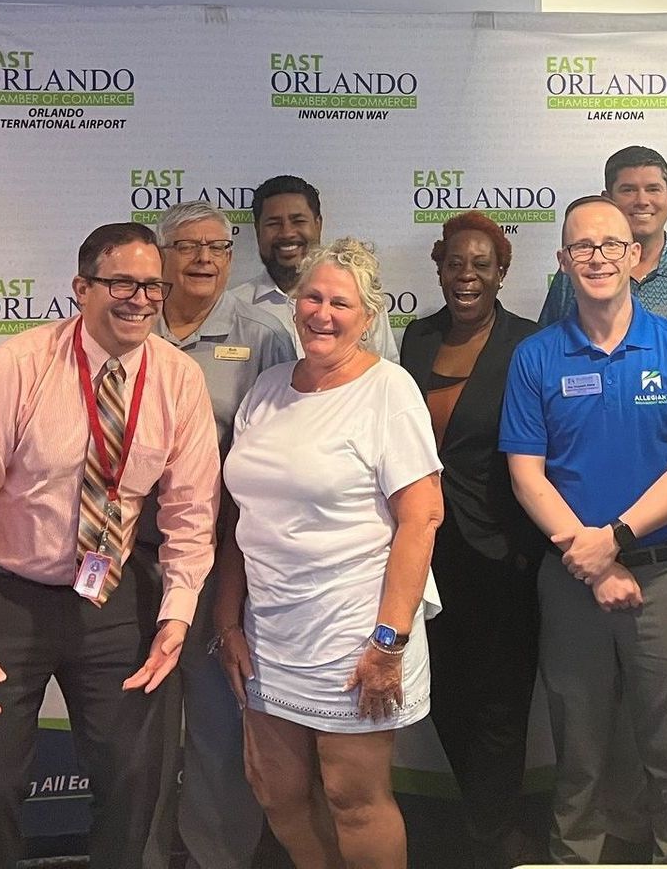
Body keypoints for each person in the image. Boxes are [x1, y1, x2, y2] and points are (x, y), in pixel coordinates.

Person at [0, 222, 220, 869]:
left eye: (151, 285)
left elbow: (192, 512)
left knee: (134, 778)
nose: (139, 299)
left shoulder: (178, 380)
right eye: (121, 283)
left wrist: (177, 614)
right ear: (81, 288)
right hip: (6, 597)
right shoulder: (16, 368)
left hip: (112, 596)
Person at [501, 195, 667, 863]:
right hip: (572, 584)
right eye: (582, 247)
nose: (597, 258)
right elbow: (527, 477)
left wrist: (614, 541)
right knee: (579, 761)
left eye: (610, 245)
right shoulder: (537, 358)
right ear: (564, 262)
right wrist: (593, 560)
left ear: (634, 256)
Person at [218, 238, 444, 869]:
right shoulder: (265, 387)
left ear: (367, 316)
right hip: (270, 632)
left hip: (356, 632)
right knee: (277, 790)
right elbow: (242, 515)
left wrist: (389, 641)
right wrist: (226, 619)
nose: (322, 312)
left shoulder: (388, 390)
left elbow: (422, 517)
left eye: (340, 302)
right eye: (312, 297)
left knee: (353, 798)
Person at [135, 201, 294, 869]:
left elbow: (286, 450)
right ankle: (135, 854)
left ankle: (217, 858)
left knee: (218, 727)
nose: (204, 258)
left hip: (221, 563)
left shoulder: (262, 337)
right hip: (130, 560)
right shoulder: (126, 326)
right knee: (136, 725)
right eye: (187, 246)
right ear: (159, 257)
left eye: (218, 246)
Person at [399, 211, 545, 869]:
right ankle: (488, 824)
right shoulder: (416, 338)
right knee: (444, 700)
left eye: (481, 264)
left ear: (501, 273)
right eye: (455, 262)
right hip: (424, 557)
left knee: (501, 708)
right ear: (438, 266)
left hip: (504, 559)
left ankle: (491, 842)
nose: (467, 275)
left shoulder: (528, 343)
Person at [537, 145, 667, 334]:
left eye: (653, 189)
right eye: (628, 190)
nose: (642, 201)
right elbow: (548, 347)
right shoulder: (580, 271)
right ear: (607, 199)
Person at [230, 173, 400, 361]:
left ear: (318, 225)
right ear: (257, 230)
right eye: (274, 223)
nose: (287, 232)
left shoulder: (362, 300)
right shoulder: (234, 307)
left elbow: (385, 370)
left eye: (298, 221)